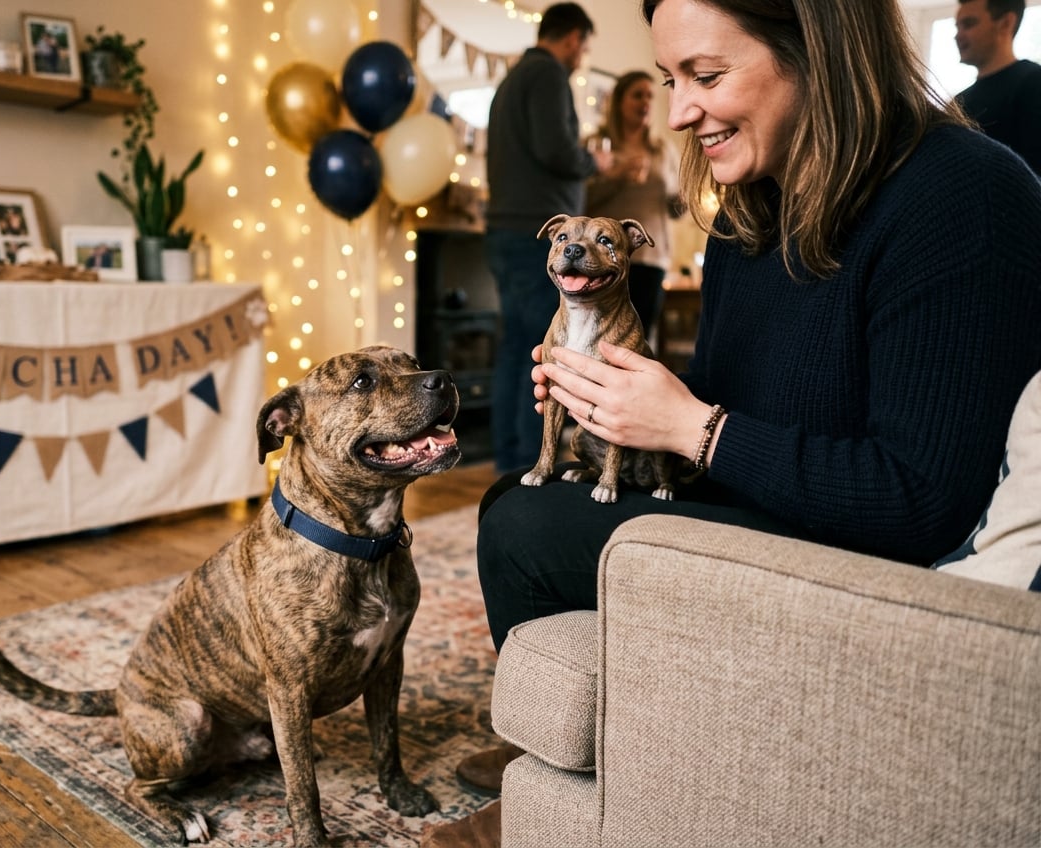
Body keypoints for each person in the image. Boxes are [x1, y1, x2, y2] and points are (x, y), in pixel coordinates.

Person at [420, 0, 1041, 844]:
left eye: (707, 77)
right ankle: (596, 747)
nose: (678, 110)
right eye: (673, 79)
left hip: (870, 559)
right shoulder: (748, 212)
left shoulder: (967, 193)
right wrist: (621, 405)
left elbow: (923, 501)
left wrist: (695, 430)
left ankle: (614, 770)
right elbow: (723, 395)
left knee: (527, 524)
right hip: (777, 508)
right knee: (518, 502)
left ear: (817, 49)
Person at [484, 2, 614, 474]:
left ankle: (510, 458)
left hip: (504, 228)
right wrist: (593, 163)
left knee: (516, 347)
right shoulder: (547, 76)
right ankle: (528, 462)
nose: (581, 56)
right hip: (533, 233)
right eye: (583, 45)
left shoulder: (513, 79)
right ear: (573, 38)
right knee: (543, 353)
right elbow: (556, 149)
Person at [585, 69, 684, 337]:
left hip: (652, 257)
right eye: (637, 95)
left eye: (650, 96)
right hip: (604, 257)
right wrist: (617, 178)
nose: (645, 103)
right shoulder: (598, 145)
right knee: (601, 334)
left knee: (639, 335)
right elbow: (581, 202)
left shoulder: (662, 149)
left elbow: (675, 209)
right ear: (619, 101)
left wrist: (689, 199)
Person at [954, 0, 1041, 174]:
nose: (958, 35)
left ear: (1006, 23)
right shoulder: (958, 101)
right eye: (958, 26)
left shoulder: (1033, 82)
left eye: (969, 24)